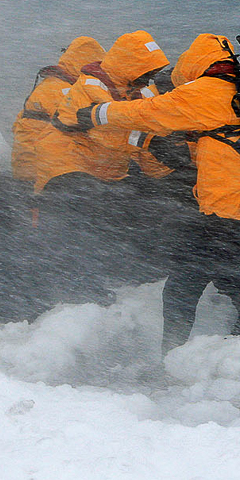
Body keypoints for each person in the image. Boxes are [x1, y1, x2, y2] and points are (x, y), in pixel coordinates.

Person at [65, 33, 240, 352]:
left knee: (183, 286)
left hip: (230, 207)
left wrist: (92, 115)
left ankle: (173, 354)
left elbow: (146, 112)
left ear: (197, 62)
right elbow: (225, 138)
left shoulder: (203, 90)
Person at [33, 30, 171, 301]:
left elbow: (140, 132)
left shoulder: (134, 92)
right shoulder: (91, 86)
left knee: (104, 219)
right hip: (66, 162)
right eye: (145, 71)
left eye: (152, 73)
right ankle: (67, 289)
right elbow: (109, 130)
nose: (149, 79)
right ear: (130, 66)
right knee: (74, 223)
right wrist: (152, 144)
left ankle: (89, 281)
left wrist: (169, 173)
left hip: (100, 170)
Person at [11, 36, 105, 186]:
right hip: (44, 172)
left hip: (25, 165)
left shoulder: (49, 85)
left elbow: (18, 124)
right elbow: (85, 127)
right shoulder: (66, 91)